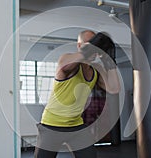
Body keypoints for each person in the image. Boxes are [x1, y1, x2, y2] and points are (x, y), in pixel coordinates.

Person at [34, 30, 120, 158]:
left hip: (77, 126)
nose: (94, 50)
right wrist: (89, 48)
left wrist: (109, 61)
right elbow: (64, 66)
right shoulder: (67, 60)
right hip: (51, 126)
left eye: (97, 47)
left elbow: (114, 88)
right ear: (79, 46)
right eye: (90, 45)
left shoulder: (96, 69)